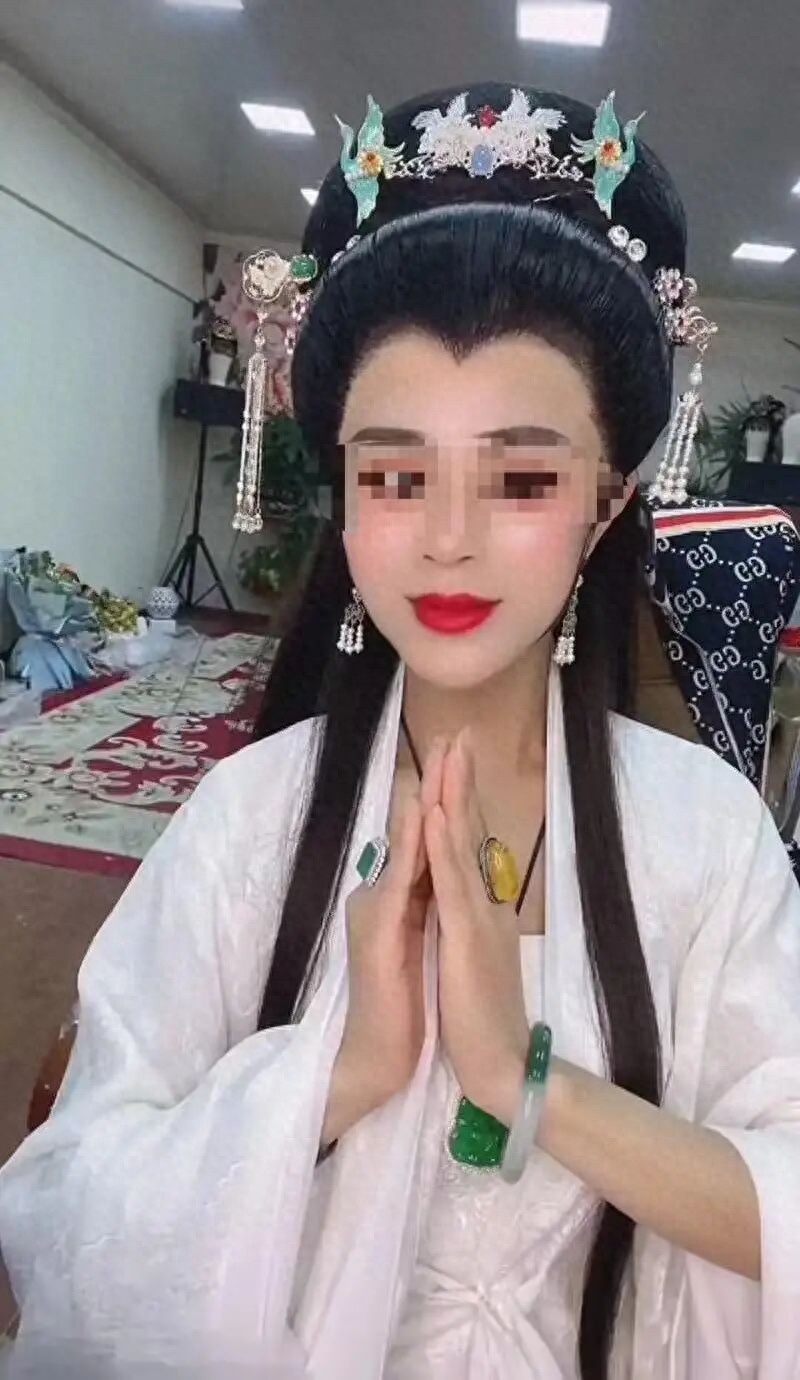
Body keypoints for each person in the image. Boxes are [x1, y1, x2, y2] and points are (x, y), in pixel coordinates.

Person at [1, 81, 800, 1380]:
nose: (447, 537)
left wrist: (528, 1084)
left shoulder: (706, 838)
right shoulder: (254, 821)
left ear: (606, 506)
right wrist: (347, 1071)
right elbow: (68, 1212)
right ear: (345, 494)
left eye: (521, 477)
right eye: (394, 474)